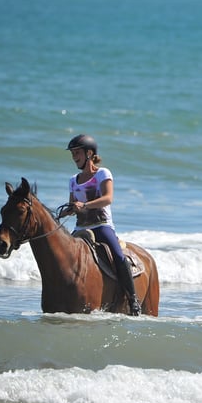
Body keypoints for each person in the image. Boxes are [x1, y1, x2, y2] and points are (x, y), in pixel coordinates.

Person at [65, 134, 142, 316]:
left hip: (102, 225)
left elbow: (108, 198)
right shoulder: (72, 180)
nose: (74, 156)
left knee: (117, 255)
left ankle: (132, 299)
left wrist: (84, 205)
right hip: (80, 229)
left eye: (77, 152)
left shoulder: (102, 173)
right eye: (72, 153)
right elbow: (72, 205)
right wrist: (67, 210)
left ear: (89, 153)